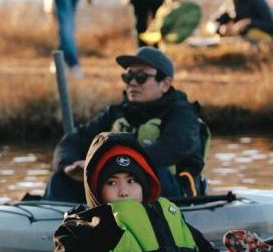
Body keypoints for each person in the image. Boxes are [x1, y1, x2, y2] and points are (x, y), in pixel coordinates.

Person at [41, 132, 272, 252]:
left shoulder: (165, 214)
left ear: (144, 184)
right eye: (112, 183)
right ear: (96, 189)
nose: (123, 191)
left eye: (131, 181)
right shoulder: (82, 227)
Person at [44, 46, 207, 203]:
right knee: (60, 178)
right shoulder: (116, 113)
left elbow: (170, 149)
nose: (132, 83)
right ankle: (57, 224)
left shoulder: (183, 114)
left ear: (165, 84)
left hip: (173, 193)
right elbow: (72, 142)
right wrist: (70, 167)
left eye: (141, 77)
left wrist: (107, 164)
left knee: (155, 172)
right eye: (128, 77)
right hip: (119, 189)